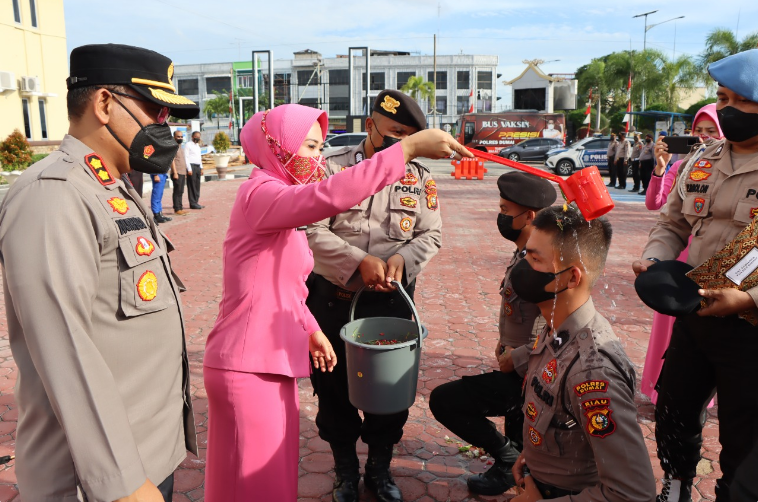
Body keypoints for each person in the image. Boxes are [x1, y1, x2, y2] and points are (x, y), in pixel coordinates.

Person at [202, 103, 471, 502]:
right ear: (275, 145)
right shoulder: (261, 192)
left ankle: (378, 470)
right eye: (308, 146)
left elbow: (286, 283)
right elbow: (325, 200)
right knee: (270, 467)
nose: (316, 158)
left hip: (277, 354)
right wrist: (408, 149)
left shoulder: (277, 192)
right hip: (254, 356)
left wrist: (308, 328)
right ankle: (346, 470)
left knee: (261, 481)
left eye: (318, 146)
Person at [0, 43, 200, 502]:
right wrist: (125, 484)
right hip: (96, 479)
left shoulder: (109, 185)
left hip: (143, 453)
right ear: (105, 104)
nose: (164, 127)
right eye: (154, 110)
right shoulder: (54, 195)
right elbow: (64, 349)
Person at [633, 49, 758, 502]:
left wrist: (748, 299)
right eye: (722, 99)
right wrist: (654, 257)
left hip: (749, 326)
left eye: (742, 102)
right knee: (674, 410)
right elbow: (671, 224)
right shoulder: (701, 160)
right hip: (696, 313)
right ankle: (677, 482)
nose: (727, 111)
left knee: (744, 432)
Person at [305, 89, 441, 502]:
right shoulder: (330, 169)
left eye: (409, 136)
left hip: (392, 302)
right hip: (333, 301)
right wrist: (357, 261)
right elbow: (310, 229)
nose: (401, 143)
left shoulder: (419, 179)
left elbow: (431, 233)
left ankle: (379, 469)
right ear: (370, 126)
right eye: (395, 132)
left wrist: (403, 258)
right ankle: (346, 469)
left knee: (390, 392)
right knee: (331, 388)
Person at [510, 205, 655, 502]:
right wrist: (534, 457)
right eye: (526, 253)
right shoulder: (556, 322)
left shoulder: (594, 372)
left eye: (535, 258)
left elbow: (633, 495)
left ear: (571, 278)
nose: (522, 265)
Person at [429, 172, 555, 496]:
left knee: (445, 401)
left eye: (504, 210)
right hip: (519, 371)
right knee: (516, 424)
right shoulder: (526, 251)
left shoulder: (543, 261)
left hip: (533, 376)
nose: (500, 216)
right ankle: (510, 466)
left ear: (528, 216)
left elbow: (560, 325)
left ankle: (514, 462)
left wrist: (518, 356)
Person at [641, 103, 722, 404]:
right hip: (676, 256)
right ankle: (657, 388)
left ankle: (703, 396)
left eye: (711, 131)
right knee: (670, 322)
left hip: (710, 258)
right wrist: (661, 168)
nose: (703, 137)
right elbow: (656, 204)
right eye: (698, 131)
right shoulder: (681, 167)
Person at [171, 129, 189, 215]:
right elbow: (172, 161)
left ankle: (180, 207)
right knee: (177, 191)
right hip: (176, 172)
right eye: (178, 136)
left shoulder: (181, 147)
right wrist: (174, 172)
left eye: (181, 136)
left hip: (182, 172)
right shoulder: (173, 147)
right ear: (174, 137)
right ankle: (177, 208)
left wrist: (185, 172)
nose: (180, 138)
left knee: (181, 191)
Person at [184, 130, 204, 209]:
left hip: (198, 166)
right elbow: (186, 157)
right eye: (196, 137)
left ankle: (196, 201)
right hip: (191, 166)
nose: (197, 138)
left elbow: (199, 157)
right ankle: (192, 203)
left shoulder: (197, 146)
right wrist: (189, 168)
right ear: (192, 137)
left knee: (197, 185)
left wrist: (201, 168)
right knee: (191, 185)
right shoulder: (188, 145)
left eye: (199, 137)